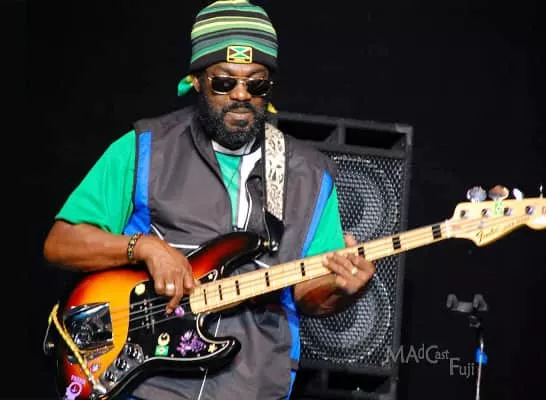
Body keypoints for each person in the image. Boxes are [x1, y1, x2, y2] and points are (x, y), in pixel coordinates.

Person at [42, 1, 376, 399]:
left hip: (252, 387)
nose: (241, 95)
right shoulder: (145, 148)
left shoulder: (311, 174)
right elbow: (60, 244)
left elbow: (310, 298)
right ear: (196, 81)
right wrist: (143, 247)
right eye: (223, 83)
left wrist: (345, 289)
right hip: (145, 387)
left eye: (256, 85)